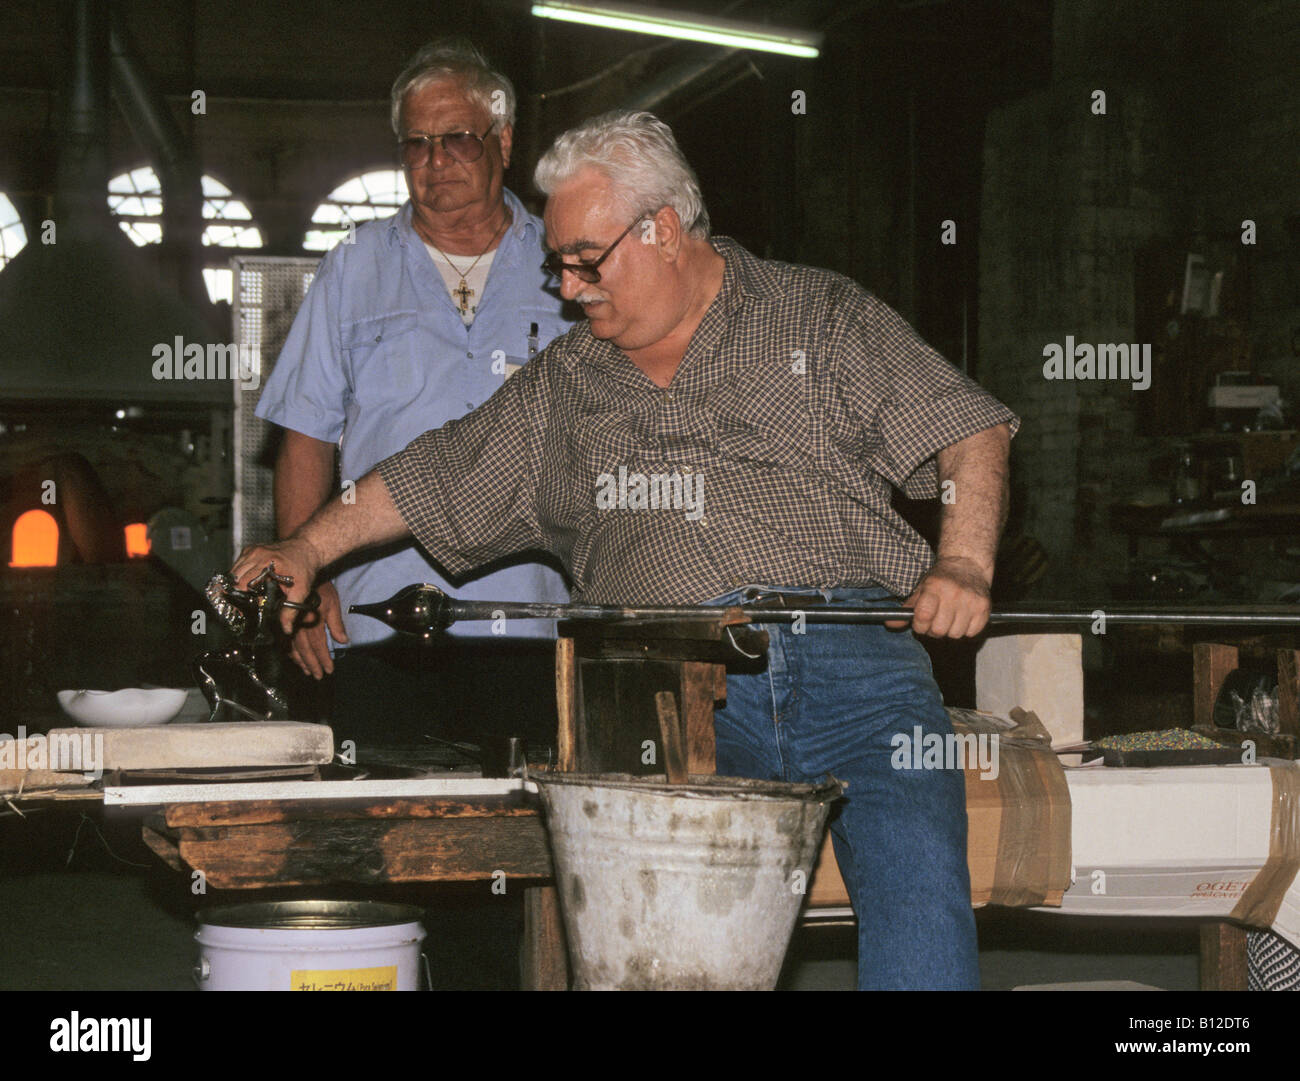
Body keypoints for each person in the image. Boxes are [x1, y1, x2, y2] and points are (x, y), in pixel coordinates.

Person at [234, 110, 1017, 990]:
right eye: (558, 263)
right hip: (667, 689)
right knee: (675, 942)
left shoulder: (820, 316)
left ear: (666, 230)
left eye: (584, 259)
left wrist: (962, 563)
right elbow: (429, 476)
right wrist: (305, 544)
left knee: (920, 888)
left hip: (861, 664)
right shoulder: (566, 387)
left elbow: (969, 428)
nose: (567, 287)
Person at [253, 38, 572, 748]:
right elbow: (305, 435)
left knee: (522, 835)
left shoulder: (565, 260)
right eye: (417, 143)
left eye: (457, 138)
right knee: (389, 831)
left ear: (505, 140)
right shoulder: (353, 269)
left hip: (531, 620)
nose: (435, 162)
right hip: (376, 622)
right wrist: (309, 586)